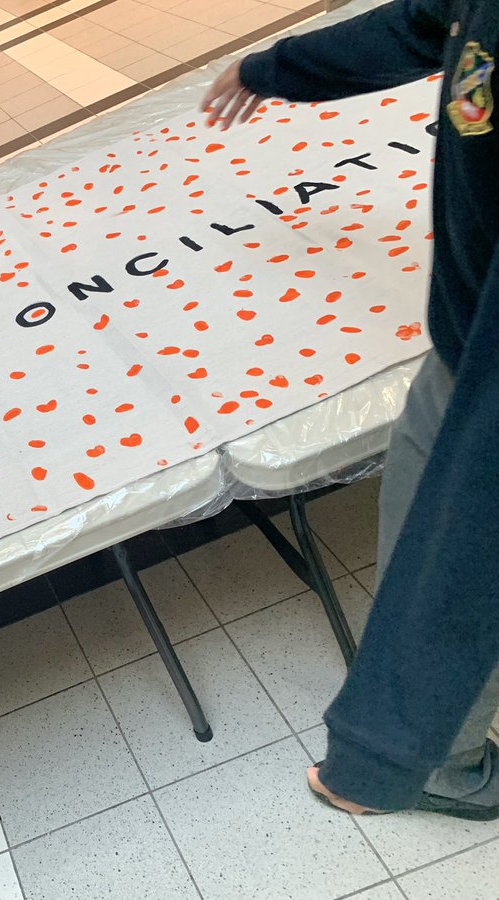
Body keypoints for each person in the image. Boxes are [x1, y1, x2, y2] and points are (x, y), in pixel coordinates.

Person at [202, 0, 499, 820]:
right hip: (464, 336)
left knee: (463, 538)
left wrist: (380, 750)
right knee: (418, 502)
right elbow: (417, 24)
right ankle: (443, 756)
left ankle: (433, 757)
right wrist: (276, 68)